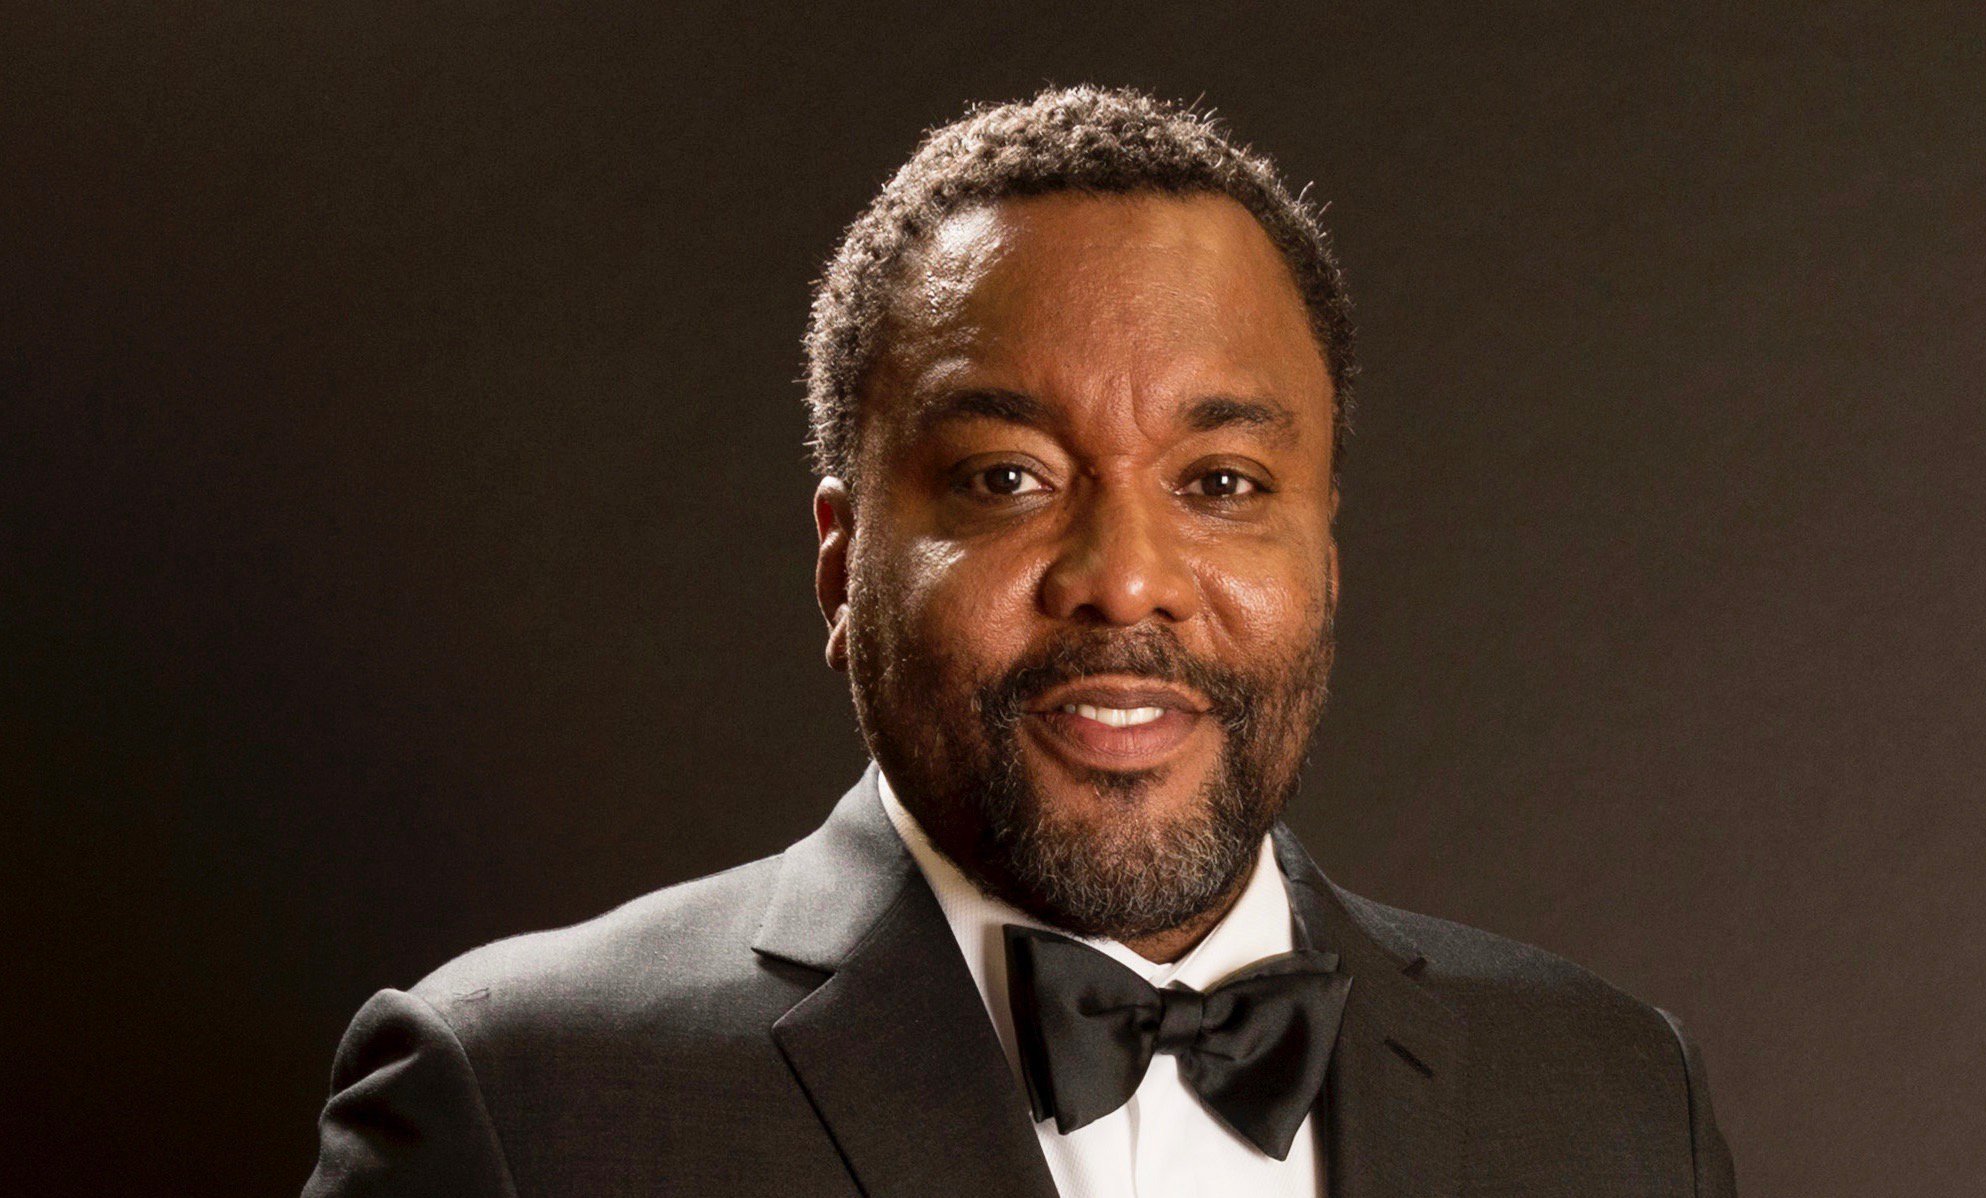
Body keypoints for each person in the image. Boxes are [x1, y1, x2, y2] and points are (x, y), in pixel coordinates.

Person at [304, 86, 1735, 1198]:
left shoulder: (1612, 1099)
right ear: (841, 561)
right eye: (1006, 479)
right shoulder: (525, 1103)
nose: (1126, 580)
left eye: (1222, 485)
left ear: (1326, 549)